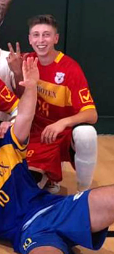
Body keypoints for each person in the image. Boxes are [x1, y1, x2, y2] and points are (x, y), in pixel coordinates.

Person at [0, 57, 111, 254]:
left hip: (55, 209)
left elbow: (25, 116)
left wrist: (31, 87)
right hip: (29, 232)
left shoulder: (8, 146)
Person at [12, 15, 98, 192]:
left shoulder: (70, 68)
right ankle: (50, 177)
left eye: (46, 35)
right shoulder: (25, 60)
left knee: (86, 134)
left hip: (62, 133)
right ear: (30, 39)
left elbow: (92, 115)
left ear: (56, 38)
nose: (41, 40)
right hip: (35, 132)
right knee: (27, 187)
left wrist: (63, 123)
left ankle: (83, 191)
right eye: (36, 35)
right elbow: (20, 96)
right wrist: (18, 73)